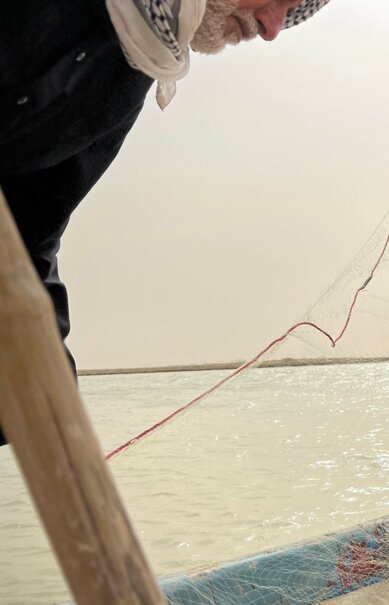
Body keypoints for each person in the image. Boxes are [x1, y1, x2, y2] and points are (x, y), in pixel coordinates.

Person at [0, 0, 332, 447]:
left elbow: (33, 230)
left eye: (291, 14)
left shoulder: (129, 78)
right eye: (277, 1)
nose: (272, 28)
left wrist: (48, 378)